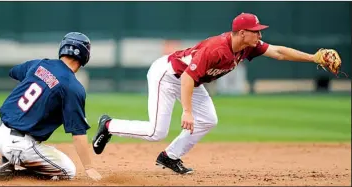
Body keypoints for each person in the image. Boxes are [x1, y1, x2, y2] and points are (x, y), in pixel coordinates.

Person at [91, 13, 344, 174]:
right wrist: (187, 111)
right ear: (242, 33)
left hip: (192, 79)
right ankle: (109, 124)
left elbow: (278, 52)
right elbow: (188, 77)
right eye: (256, 30)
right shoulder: (217, 49)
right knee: (157, 131)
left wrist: (313, 58)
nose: (260, 34)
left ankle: (170, 156)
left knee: (209, 119)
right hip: (168, 76)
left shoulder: (247, 47)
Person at [0, 32, 102, 181]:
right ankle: (8, 174)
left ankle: (6, 161)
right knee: (68, 171)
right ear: (85, 56)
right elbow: (78, 133)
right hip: (19, 146)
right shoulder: (73, 87)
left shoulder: (39, 64)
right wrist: (89, 167)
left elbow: (14, 72)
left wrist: (41, 78)